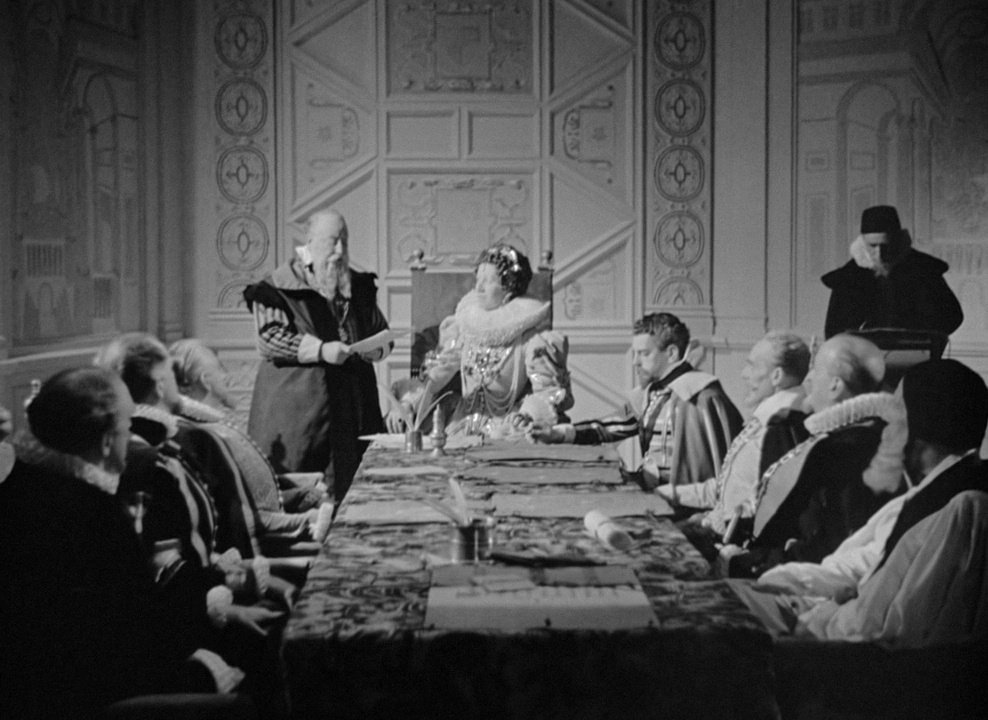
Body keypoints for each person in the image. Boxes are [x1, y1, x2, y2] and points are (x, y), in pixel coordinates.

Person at [0, 368, 244, 718]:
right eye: (128, 426)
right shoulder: (90, 512)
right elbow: (126, 642)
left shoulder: (22, 487)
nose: (130, 438)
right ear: (105, 441)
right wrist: (202, 665)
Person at [732, 358, 988, 644]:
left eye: (896, 414)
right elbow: (863, 565)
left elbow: (883, 629)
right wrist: (782, 583)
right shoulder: (929, 493)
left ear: (920, 427)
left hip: (838, 651)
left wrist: (809, 617)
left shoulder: (959, 509)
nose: (886, 428)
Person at [722, 334, 906, 577]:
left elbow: (830, 549)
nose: (807, 379)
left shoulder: (848, 450)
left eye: (816, 370)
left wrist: (742, 562)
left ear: (835, 386)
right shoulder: (843, 437)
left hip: (794, 581)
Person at [244, 209, 390, 501]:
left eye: (344, 241)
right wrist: (322, 350)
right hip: (301, 417)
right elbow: (269, 340)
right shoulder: (276, 287)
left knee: (356, 493)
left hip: (353, 412)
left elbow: (380, 331)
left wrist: (376, 349)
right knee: (306, 498)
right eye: (332, 241)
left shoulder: (357, 286)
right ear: (309, 242)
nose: (340, 250)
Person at [530, 312, 742, 490]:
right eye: (635, 354)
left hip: (682, 505)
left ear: (671, 353)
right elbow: (610, 427)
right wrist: (557, 433)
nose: (635, 362)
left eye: (644, 354)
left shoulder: (699, 397)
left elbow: (714, 474)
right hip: (653, 492)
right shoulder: (654, 393)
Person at [385, 243, 573, 437]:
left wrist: (527, 416)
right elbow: (436, 376)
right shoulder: (464, 330)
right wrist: (408, 404)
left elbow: (547, 393)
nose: (479, 288)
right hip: (459, 424)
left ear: (508, 289)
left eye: (488, 281)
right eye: (478, 280)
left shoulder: (530, 340)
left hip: (504, 428)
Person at [664, 331, 812, 561]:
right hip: (722, 529)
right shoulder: (766, 423)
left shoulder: (780, 428)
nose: (744, 374)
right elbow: (730, 489)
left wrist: (709, 523)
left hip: (736, 551)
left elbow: (767, 513)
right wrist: (671, 494)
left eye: (752, 366)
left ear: (777, 376)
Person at [169, 338, 332, 545]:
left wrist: (305, 488)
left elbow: (252, 492)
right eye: (220, 369)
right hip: (267, 544)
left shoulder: (208, 427)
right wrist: (308, 520)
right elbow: (237, 515)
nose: (226, 377)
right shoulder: (202, 435)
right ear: (205, 380)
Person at [822, 204, 962, 339]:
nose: (879, 254)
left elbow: (952, 317)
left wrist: (921, 336)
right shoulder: (848, 278)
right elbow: (834, 331)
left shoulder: (924, 270)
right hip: (861, 353)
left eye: (886, 246)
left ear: (898, 241)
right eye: (872, 246)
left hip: (915, 350)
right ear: (863, 243)